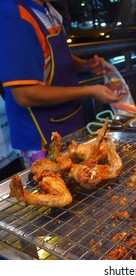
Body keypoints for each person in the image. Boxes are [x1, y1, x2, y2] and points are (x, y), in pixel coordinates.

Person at [0, 0, 123, 168]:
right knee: (54, 188)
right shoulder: (13, 15)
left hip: (69, 121)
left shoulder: (47, 9)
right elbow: (25, 94)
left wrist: (85, 65)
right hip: (41, 136)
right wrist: (88, 90)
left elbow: (52, 54)